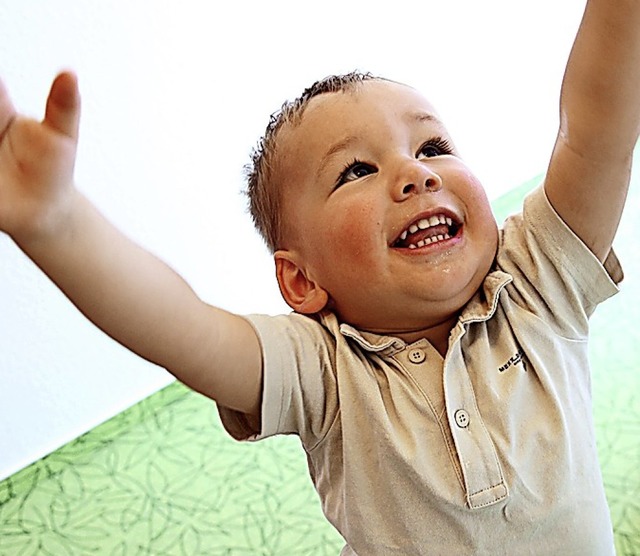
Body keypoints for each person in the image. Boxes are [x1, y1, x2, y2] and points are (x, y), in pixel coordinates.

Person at [0, 0, 637, 553]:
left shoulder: (537, 284)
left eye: (432, 147)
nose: (415, 174)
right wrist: (58, 226)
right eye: (356, 171)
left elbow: (593, 133)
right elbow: (180, 328)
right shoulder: (322, 372)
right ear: (302, 281)